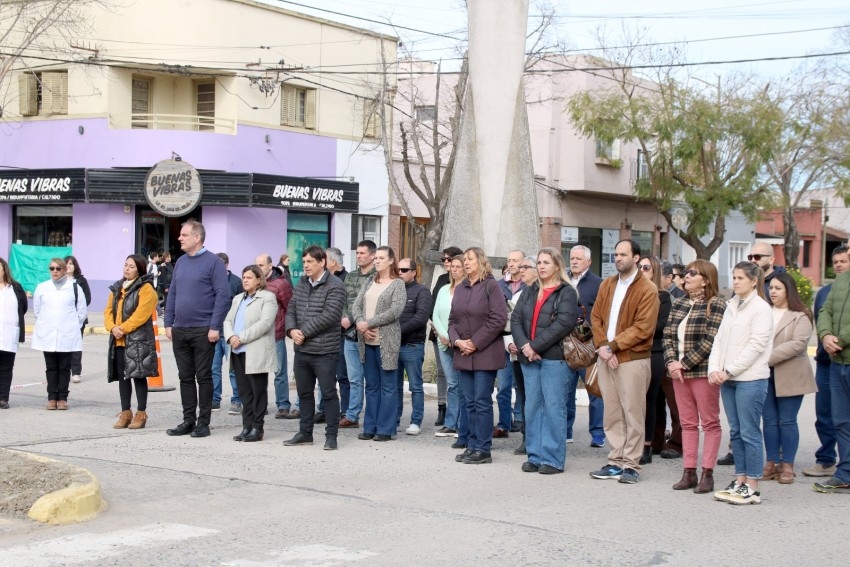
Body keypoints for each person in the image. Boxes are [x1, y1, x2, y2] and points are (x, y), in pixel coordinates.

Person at [589, 240, 659, 484]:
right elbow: (596, 316)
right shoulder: (608, 284)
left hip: (632, 359)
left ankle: (632, 465)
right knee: (612, 412)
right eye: (615, 254)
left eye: (623, 254)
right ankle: (615, 461)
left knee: (633, 412)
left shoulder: (647, 289)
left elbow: (643, 327)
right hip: (606, 356)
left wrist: (613, 346)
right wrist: (602, 347)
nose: (617, 258)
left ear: (636, 258)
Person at [709, 261, 773, 505]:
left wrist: (730, 370)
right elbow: (719, 340)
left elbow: (756, 345)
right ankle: (740, 479)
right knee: (735, 431)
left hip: (750, 379)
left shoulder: (761, 308)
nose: (735, 282)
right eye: (734, 277)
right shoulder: (731, 306)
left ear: (754, 281)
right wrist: (715, 369)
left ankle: (753, 484)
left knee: (749, 432)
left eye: (740, 278)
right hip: (727, 379)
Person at [511, 248, 580, 474]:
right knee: (532, 408)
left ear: (557, 266)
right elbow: (516, 319)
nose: (541, 266)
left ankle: (552, 459)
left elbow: (563, 324)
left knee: (553, 408)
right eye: (539, 262)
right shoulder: (530, 290)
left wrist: (535, 345)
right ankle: (535, 454)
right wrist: (524, 346)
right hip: (530, 358)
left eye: (546, 262)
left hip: (554, 359)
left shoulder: (566, 292)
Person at [663, 260, 727, 494]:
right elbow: (668, 335)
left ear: (706, 279)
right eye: (686, 273)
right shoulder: (679, 303)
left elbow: (711, 339)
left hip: (702, 373)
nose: (685, 276)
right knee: (688, 423)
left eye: (692, 273)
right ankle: (688, 472)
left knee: (709, 423)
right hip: (678, 373)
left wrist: (685, 363)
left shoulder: (717, 303)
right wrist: (671, 363)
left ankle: (707, 474)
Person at [164, 220, 231, 438]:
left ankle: (204, 423)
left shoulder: (213, 263)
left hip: (204, 330)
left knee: (203, 377)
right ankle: (188, 421)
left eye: (184, 235)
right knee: (185, 377)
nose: (179, 238)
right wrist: (168, 322)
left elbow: (223, 295)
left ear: (197, 238)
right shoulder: (181, 262)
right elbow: (172, 293)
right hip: (180, 329)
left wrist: (215, 326)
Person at [449, 247, 508, 465]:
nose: (466, 263)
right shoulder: (461, 288)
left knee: (482, 401)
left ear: (481, 261)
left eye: (470, 259)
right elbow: (452, 321)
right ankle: (472, 445)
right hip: (463, 352)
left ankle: (483, 448)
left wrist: (475, 342)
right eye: (464, 259)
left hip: (484, 353)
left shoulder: (491, 286)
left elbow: (498, 319)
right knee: (469, 402)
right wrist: (458, 341)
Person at [284, 246, 346, 450]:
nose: (306, 266)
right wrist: (292, 330)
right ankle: (305, 433)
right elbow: (291, 308)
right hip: (302, 350)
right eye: (304, 262)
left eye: (310, 262)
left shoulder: (335, 285)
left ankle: (331, 436)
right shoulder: (302, 282)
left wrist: (303, 332)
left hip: (324, 350)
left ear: (322, 262)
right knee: (304, 394)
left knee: (328, 393)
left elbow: (331, 315)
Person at [762, 272, 816, 483]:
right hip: (765, 375)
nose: (772, 291)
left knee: (787, 420)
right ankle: (771, 462)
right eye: (771, 288)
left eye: (778, 288)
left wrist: (763, 359)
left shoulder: (800, 314)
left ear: (788, 291)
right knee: (769, 421)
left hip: (790, 374)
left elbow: (797, 344)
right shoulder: (764, 312)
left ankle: (787, 465)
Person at [351, 246, 406, 442]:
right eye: (376, 258)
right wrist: (360, 324)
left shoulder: (397, 284)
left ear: (391, 261)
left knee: (388, 387)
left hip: (387, 342)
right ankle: (370, 426)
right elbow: (356, 305)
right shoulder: (368, 281)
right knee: (371, 386)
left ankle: (385, 428)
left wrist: (370, 323)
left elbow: (395, 311)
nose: (377, 261)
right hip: (367, 341)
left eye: (382, 258)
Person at [804, 245, 849, 478]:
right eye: (837, 261)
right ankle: (826, 459)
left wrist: (839, 340)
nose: (840, 265)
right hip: (825, 361)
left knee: (844, 417)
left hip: (844, 358)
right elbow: (822, 318)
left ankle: (846, 466)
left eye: (844, 260)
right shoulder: (824, 292)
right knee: (825, 414)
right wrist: (826, 337)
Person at [224, 265, 278, 442]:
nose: (245, 280)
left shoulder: (268, 298)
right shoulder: (238, 298)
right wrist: (231, 336)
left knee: (257, 391)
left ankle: (257, 427)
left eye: (249, 277)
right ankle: (246, 426)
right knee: (244, 392)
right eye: (243, 277)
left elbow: (265, 324)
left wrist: (241, 337)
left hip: (255, 351)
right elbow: (228, 320)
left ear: (258, 280)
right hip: (238, 350)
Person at [105, 255, 158, 430]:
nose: (127, 269)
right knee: (123, 377)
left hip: (137, 340)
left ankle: (141, 413)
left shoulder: (146, 289)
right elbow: (108, 312)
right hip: (119, 340)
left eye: (132, 266)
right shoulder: (117, 288)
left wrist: (123, 328)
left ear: (140, 269)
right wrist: (112, 327)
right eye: (126, 265)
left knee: (138, 376)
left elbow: (141, 315)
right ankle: (125, 413)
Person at [32, 258, 88, 410]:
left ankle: (62, 397)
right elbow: (37, 310)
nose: (55, 271)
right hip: (48, 333)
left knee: (64, 367)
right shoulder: (42, 288)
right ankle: (51, 397)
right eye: (52, 268)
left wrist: (72, 326)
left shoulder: (74, 287)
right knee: (51, 366)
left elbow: (82, 311)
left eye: (58, 268)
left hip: (67, 333)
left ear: (64, 270)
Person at [815, 263, 850, 494]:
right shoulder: (841, 280)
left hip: (840, 349)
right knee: (842, 421)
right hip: (838, 363)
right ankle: (844, 473)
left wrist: (838, 339)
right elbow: (824, 311)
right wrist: (825, 335)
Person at [567, 245, 605, 448]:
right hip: (564, 344)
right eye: (572, 258)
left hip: (588, 345)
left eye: (578, 259)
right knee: (565, 391)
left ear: (588, 262)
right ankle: (565, 430)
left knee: (594, 389)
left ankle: (598, 433)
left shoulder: (598, 284)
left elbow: (601, 316)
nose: (574, 261)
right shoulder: (563, 281)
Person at [636, 255, 672, 465]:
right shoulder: (631, 293)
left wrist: (638, 329)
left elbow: (661, 326)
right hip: (633, 352)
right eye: (639, 266)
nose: (641, 270)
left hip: (654, 353)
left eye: (646, 267)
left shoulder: (663, 296)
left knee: (649, 400)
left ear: (654, 271)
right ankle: (631, 443)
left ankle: (647, 446)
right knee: (633, 401)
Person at [339, 240, 376, 427]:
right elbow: (344, 300)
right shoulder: (351, 276)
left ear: (372, 255)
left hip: (368, 332)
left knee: (370, 379)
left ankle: (372, 416)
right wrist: (344, 317)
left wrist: (351, 318)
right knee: (353, 378)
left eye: (362, 253)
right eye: (358, 253)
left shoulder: (376, 277)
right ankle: (352, 415)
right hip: (349, 335)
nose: (359, 256)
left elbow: (368, 304)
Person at [433, 255, 468, 440]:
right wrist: (443, 334)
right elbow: (436, 314)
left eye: (458, 266)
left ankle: (463, 423)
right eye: (452, 266)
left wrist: (454, 338)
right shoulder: (444, 289)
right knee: (452, 384)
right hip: (443, 342)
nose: (453, 269)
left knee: (462, 384)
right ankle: (450, 423)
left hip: (461, 343)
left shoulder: (468, 290)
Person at [396, 258, 432, 436]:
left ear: (413, 272)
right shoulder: (394, 290)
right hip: (393, 347)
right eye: (398, 270)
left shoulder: (422, 292)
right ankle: (393, 420)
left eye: (404, 270)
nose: (400, 273)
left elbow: (420, 318)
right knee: (393, 386)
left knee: (415, 386)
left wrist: (397, 332)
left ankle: (416, 421)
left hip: (412, 345)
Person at [256, 254, 294, 420]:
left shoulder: (281, 284)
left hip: (276, 334)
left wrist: (288, 329)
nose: (258, 268)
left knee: (279, 372)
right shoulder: (255, 283)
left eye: (261, 265)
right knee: (259, 373)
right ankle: (260, 405)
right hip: (258, 336)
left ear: (270, 266)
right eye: (256, 265)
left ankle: (283, 405)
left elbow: (290, 308)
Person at [495, 249, 527, 437]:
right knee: (503, 386)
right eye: (509, 260)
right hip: (503, 343)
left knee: (521, 386)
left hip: (524, 344)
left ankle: (521, 420)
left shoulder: (530, 286)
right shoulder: (499, 285)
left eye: (515, 260)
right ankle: (503, 424)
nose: (512, 263)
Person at [317, 247, 349, 422]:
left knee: (343, 376)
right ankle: (323, 410)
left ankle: (345, 411)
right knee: (324, 375)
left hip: (342, 335)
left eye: (324, 260)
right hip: (324, 334)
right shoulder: (321, 280)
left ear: (333, 262)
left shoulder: (346, 280)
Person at [211, 252, 243, 413]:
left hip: (231, 333)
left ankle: (237, 400)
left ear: (227, 265)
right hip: (214, 332)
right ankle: (214, 399)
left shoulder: (236, 282)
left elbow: (242, 308)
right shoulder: (209, 281)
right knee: (213, 368)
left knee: (233, 369)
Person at [0, 257, 28, 409]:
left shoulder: (15, 288)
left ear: (4, 270)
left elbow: (22, 308)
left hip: (9, 334)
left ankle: (3, 398)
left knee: (6, 367)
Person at [65, 255, 91, 384]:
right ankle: (63, 370)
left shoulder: (81, 281)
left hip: (77, 318)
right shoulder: (60, 280)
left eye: (71, 263)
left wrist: (78, 313)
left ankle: (76, 372)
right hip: (62, 318)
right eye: (66, 263)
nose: (68, 265)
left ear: (75, 266)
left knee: (76, 345)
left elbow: (87, 299)